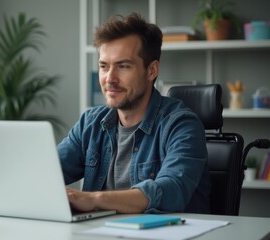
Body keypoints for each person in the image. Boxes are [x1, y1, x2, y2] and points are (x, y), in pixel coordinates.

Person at [57, 12, 211, 214]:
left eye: (123, 66)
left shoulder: (182, 124)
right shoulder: (90, 123)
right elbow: (47, 173)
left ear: (151, 71)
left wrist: (93, 199)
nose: (109, 79)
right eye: (104, 66)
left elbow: (171, 190)